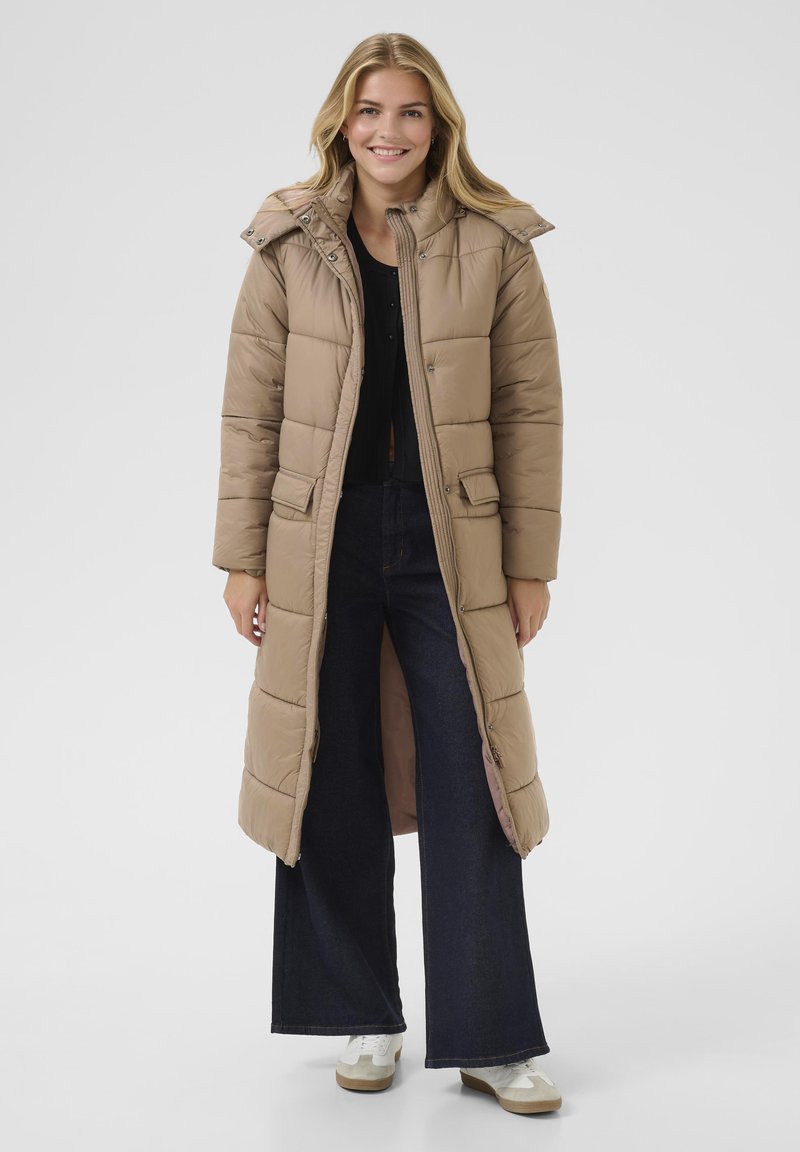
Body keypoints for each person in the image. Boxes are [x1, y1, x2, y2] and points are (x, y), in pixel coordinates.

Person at [211, 32, 564, 1116]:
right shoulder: (288, 243)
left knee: (474, 773)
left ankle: (492, 1036)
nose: (388, 131)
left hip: (452, 540)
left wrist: (530, 565)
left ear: (438, 124)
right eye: (370, 110)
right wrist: (241, 558)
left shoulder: (495, 244)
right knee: (327, 766)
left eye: (410, 111)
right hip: (316, 537)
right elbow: (251, 410)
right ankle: (362, 1012)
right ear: (341, 121)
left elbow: (529, 412)